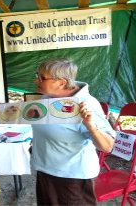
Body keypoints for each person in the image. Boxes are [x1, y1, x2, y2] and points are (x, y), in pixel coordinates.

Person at [32, 59, 116, 205]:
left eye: (42, 77)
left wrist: (91, 126)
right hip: (46, 172)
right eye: (37, 75)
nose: (36, 80)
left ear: (61, 82)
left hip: (72, 180)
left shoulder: (86, 104)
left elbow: (107, 146)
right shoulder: (47, 98)